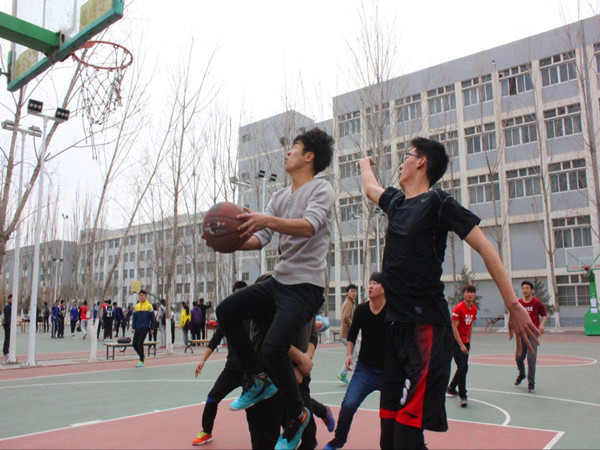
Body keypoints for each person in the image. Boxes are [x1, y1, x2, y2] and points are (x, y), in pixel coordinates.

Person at [358, 137, 539, 449]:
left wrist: (513, 304)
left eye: (406, 156)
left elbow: (486, 248)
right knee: (388, 439)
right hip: (394, 328)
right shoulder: (397, 203)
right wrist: (363, 164)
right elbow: (371, 188)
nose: (400, 163)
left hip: (425, 327)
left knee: (405, 438)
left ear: (421, 162)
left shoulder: (438, 203)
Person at [212, 127, 334, 450]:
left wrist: (265, 220)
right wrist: (230, 242)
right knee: (226, 311)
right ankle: (257, 378)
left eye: (294, 147)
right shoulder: (279, 197)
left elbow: (308, 226)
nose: (287, 152)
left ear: (309, 156)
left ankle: (297, 415)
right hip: (279, 283)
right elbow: (260, 238)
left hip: (306, 287)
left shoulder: (321, 190)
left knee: (273, 346)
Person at [325, 273, 387, 450]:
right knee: (348, 404)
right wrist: (349, 355)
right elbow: (352, 335)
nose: (370, 286)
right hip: (365, 370)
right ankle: (339, 439)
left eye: (375, 283)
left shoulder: (393, 311)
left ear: (384, 288)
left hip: (388, 372)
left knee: (395, 411)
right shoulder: (361, 310)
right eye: (369, 283)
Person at [192, 281, 248, 446]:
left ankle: (285, 434)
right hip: (231, 370)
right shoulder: (228, 318)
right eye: (236, 294)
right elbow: (215, 339)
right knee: (212, 398)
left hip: (251, 370)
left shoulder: (254, 318)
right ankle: (206, 431)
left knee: (261, 407)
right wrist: (202, 360)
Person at [447, 285, 478, 407]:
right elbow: (454, 327)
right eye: (467, 292)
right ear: (464, 294)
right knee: (463, 366)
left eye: (472, 292)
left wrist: (468, 341)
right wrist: (461, 344)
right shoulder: (458, 308)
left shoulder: (473, 309)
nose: (469, 294)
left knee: (463, 367)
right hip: (455, 341)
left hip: (465, 341)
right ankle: (463, 395)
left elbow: (470, 325)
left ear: (474, 295)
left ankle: (452, 386)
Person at [514, 280, 547, 394]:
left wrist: (541, 325)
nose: (525, 290)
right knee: (519, 358)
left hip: (533, 333)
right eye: (523, 288)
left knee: (531, 358)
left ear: (532, 290)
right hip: (521, 333)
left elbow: (544, 315)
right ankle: (522, 374)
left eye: (527, 288)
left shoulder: (537, 302)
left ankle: (531, 383)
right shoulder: (518, 303)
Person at [337, 283, 358, 384]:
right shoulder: (348, 303)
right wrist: (353, 327)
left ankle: (343, 373)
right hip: (347, 335)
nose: (353, 293)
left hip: (347, 334)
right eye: (351, 291)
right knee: (354, 354)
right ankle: (353, 378)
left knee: (353, 354)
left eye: (355, 291)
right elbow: (346, 318)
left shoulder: (349, 302)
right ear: (347, 293)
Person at [131, 290, 157, 368]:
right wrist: (133, 327)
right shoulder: (136, 306)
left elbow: (153, 318)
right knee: (134, 344)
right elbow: (134, 318)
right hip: (137, 328)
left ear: (146, 296)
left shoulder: (149, 306)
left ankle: (141, 361)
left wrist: (152, 328)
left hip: (145, 327)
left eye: (143, 295)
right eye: (140, 295)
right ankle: (142, 356)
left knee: (140, 343)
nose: (142, 297)